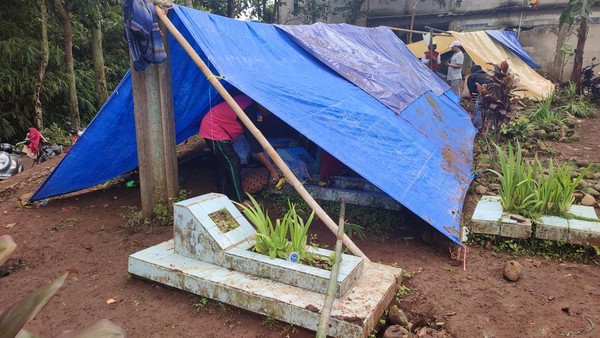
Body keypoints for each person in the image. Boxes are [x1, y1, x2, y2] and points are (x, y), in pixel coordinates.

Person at [199, 95, 281, 204]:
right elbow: (254, 144)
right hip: (214, 128)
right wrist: (271, 168)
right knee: (233, 162)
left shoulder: (252, 105)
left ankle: (222, 196)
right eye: (268, 110)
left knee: (224, 163)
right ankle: (241, 200)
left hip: (220, 128)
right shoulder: (249, 111)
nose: (269, 113)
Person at [467, 65, 494, 131]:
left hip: (483, 93)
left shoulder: (472, 76)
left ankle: (478, 127)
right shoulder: (488, 75)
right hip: (494, 93)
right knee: (491, 109)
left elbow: (472, 90)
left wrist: (473, 99)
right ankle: (491, 127)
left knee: (478, 107)